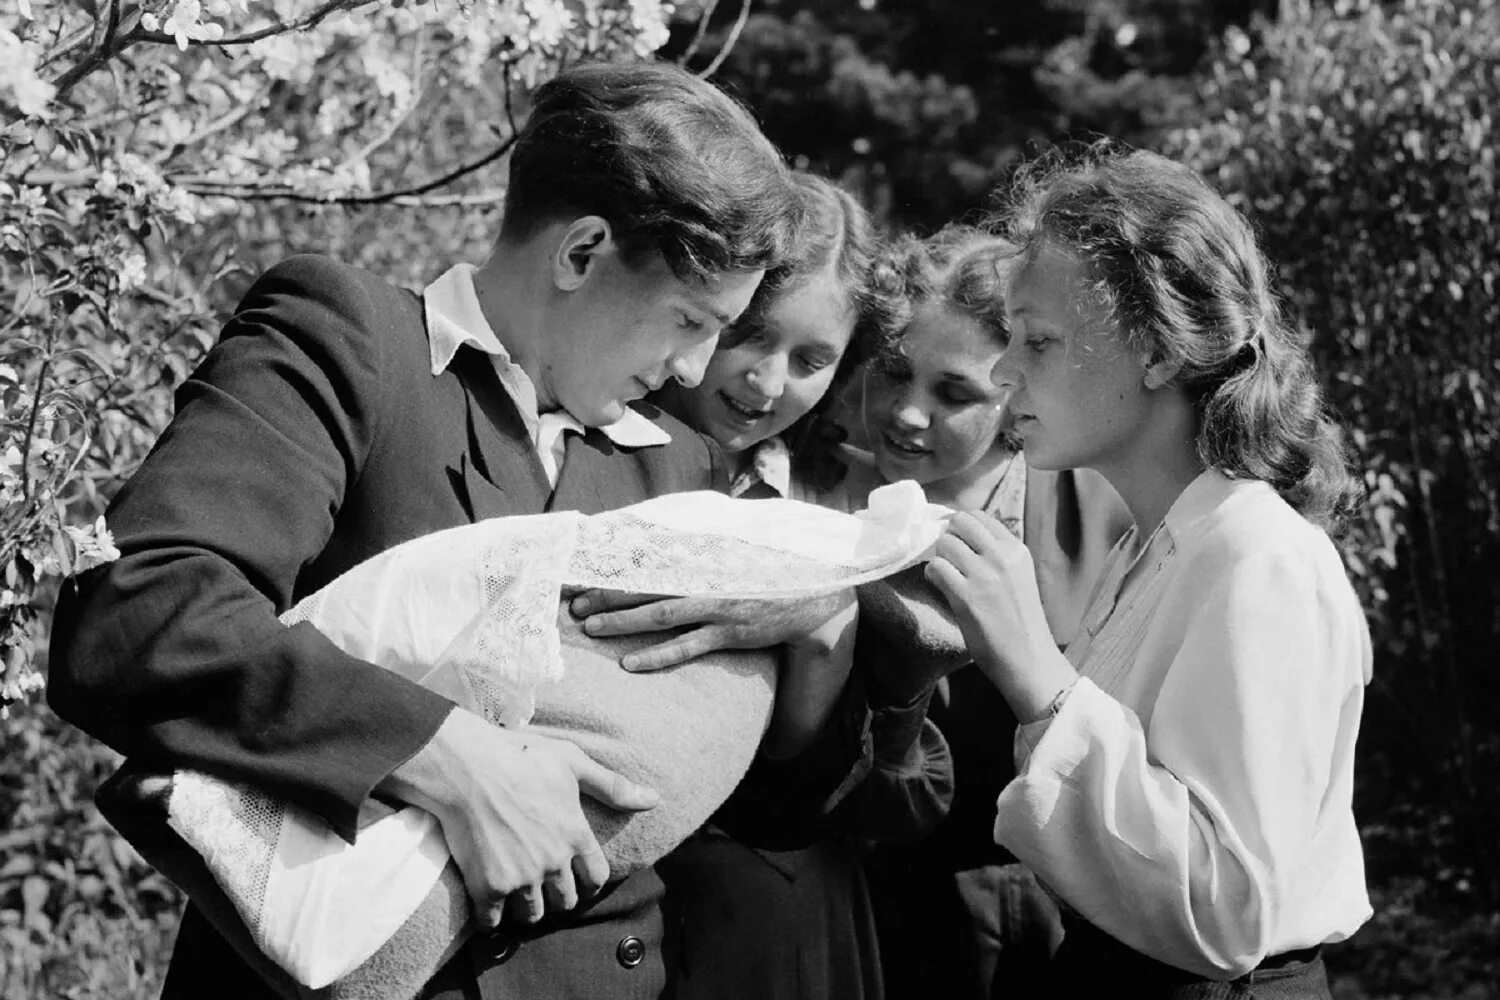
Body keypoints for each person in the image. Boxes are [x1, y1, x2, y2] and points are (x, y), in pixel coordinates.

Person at [47, 61, 867, 1000]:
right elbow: (136, 608)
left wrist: (821, 632)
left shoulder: (676, 463)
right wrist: (447, 756)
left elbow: (745, 807)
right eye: (689, 320)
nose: (692, 371)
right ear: (582, 251)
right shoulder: (353, 343)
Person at [925, 145, 1372, 996]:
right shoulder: (1161, 541)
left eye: (1040, 340)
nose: (1002, 369)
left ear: (1161, 353)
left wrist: (1038, 679)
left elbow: (1229, 910)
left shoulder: (1258, 560)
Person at [645, 173, 954, 1000]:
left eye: (812, 359)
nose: (767, 383)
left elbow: (831, 790)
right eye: (749, 336)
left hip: (772, 909)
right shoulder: (605, 448)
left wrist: (830, 627)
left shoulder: (837, 500)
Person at [834, 229, 1131, 999]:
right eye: (895, 373)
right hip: (879, 897)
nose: (906, 412)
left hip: (1068, 897)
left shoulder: (1104, 512)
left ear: (1015, 398)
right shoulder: (826, 497)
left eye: (954, 394)